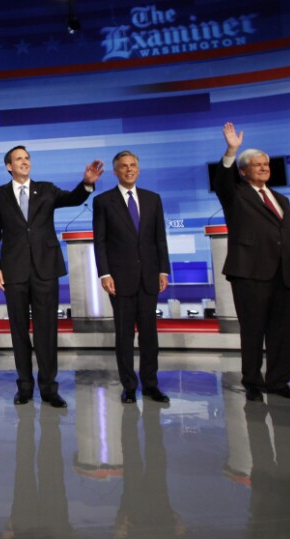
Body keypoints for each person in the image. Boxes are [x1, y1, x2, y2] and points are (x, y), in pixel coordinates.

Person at [0, 145, 103, 408]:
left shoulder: (47, 189)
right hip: (13, 271)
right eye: (19, 159)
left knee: (47, 331)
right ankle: (24, 386)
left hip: (45, 269)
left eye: (27, 158)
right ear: (9, 166)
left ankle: (49, 388)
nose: (25, 162)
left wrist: (86, 183)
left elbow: (72, 198)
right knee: (19, 331)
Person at [215, 122, 290, 402]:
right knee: (253, 330)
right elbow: (222, 180)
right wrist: (231, 149)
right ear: (243, 171)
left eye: (266, 164)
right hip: (250, 273)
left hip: (284, 274)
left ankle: (279, 381)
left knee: (283, 331)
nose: (264, 168)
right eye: (257, 165)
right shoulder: (235, 194)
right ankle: (253, 380)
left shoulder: (281, 199)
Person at [92, 150, 171, 404]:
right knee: (125, 336)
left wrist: (163, 269)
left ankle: (151, 385)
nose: (129, 170)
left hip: (149, 277)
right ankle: (128, 385)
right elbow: (100, 241)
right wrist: (104, 273)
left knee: (149, 335)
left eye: (133, 165)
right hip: (120, 279)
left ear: (138, 169)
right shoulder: (103, 201)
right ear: (116, 171)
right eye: (124, 166)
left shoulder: (153, 199)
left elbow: (160, 238)